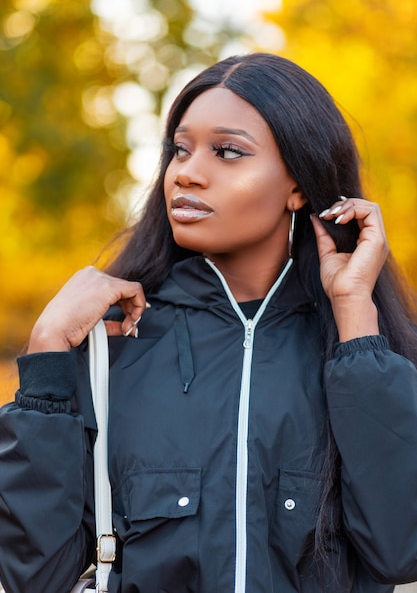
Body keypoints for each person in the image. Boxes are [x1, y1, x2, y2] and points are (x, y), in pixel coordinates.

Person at [1, 52, 417, 593]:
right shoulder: (114, 346)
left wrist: (356, 316)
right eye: (180, 149)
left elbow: (402, 551)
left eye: (227, 152)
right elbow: (32, 574)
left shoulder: (363, 358)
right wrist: (47, 356)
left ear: (298, 185)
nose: (188, 173)